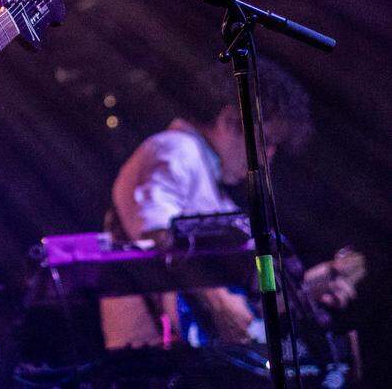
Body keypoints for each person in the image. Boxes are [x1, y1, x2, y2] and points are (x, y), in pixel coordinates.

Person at [99, 58, 358, 350]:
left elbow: (243, 299)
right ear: (229, 120)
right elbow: (154, 239)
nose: (269, 155)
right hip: (152, 363)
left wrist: (302, 288)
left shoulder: (211, 187)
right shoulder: (175, 150)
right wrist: (216, 298)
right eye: (266, 140)